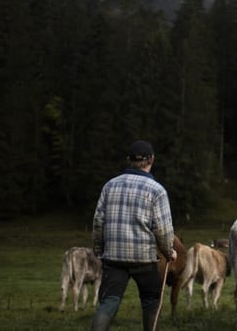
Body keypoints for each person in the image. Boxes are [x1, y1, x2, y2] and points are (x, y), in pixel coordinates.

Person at [91, 140, 177, 331]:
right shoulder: (157, 190)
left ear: (128, 160)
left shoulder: (109, 186)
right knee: (151, 301)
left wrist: (98, 249)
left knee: (108, 302)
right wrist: (169, 251)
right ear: (152, 160)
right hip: (144, 260)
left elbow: (98, 221)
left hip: (113, 258)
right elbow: (162, 230)